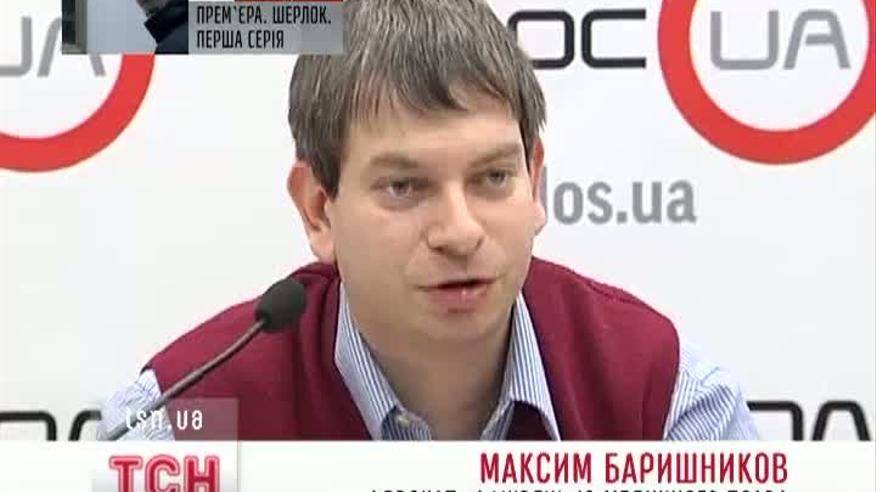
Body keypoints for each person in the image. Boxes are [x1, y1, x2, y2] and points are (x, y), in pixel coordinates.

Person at [98, 0, 758, 441]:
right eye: (404, 187)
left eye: (493, 178)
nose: (460, 232)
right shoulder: (184, 419)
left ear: (535, 181)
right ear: (319, 209)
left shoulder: (664, 397)